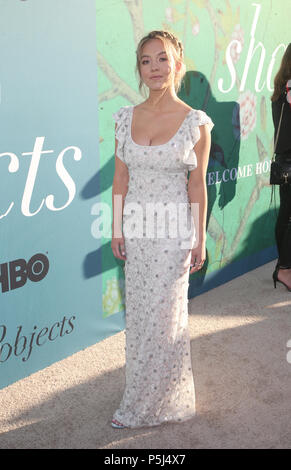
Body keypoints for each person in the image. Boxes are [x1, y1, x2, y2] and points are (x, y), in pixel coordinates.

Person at [111, 30, 213, 429]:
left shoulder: (196, 123)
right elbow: (121, 178)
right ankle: (140, 394)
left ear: (177, 64)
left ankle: (157, 401)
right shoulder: (125, 117)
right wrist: (117, 227)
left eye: (162, 59)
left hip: (173, 231)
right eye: (146, 60)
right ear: (139, 68)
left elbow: (197, 184)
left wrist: (200, 238)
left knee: (167, 317)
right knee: (139, 317)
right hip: (136, 228)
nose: (154, 67)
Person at [271, 43, 291, 292]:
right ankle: (285, 269)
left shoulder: (282, 88)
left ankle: (283, 267)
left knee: (285, 215)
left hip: (285, 160)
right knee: (288, 218)